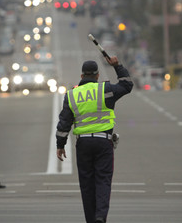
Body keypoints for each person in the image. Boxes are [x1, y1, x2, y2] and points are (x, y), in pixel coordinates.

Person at [56, 56, 133, 223]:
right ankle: (100, 217)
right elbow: (127, 85)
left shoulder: (72, 95)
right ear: (97, 76)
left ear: (82, 76)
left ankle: (91, 220)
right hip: (104, 142)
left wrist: (60, 145)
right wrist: (117, 66)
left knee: (87, 185)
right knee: (103, 181)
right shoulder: (105, 90)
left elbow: (64, 123)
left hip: (83, 144)